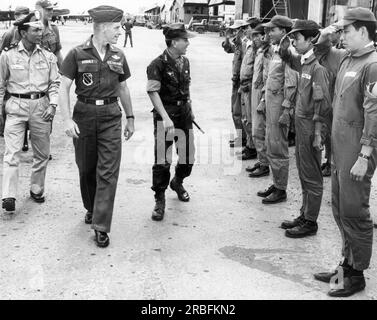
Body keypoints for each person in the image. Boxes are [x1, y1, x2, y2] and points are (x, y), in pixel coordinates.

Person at [312, 7, 377, 297]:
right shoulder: (348, 58)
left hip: (357, 151)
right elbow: (321, 52)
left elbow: (374, 112)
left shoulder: (373, 64)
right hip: (340, 149)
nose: (343, 36)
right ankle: (346, 264)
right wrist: (328, 32)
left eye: (347, 31)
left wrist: (364, 155)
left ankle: (357, 274)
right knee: (340, 209)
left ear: (363, 31)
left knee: (355, 212)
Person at [59, 5, 135, 248]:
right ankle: (91, 207)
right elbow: (64, 88)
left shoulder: (118, 55)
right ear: (102, 28)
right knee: (86, 169)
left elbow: (123, 87)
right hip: (84, 115)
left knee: (108, 173)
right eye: (116, 27)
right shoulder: (77, 53)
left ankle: (101, 226)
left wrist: (130, 117)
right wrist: (67, 119)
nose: (120, 31)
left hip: (111, 116)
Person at [0, 12, 59, 213]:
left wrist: (53, 105)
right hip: (15, 107)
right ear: (24, 32)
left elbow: (54, 83)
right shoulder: (7, 55)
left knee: (42, 153)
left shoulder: (48, 56)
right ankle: (9, 195)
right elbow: (0, 84)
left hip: (41, 107)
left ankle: (36, 188)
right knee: (12, 153)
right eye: (35, 30)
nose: (40, 33)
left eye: (40, 29)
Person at [278, 20, 333, 238]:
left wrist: (318, 134)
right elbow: (286, 55)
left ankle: (311, 221)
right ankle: (304, 213)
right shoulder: (304, 63)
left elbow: (323, 105)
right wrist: (285, 39)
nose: (294, 42)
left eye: (297, 38)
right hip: (301, 125)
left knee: (312, 175)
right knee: (303, 172)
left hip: (312, 127)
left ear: (311, 40)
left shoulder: (317, 68)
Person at [146, 23, 195, 222]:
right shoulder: (157, 64)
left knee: (187, 156)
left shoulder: (185, 62)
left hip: (183, 113)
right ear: (174, 42)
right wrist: (165, 117)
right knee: (162, 160)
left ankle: (178, 181)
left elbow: (187, 89)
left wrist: (190, 110)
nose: (188, 43)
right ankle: (159, 199)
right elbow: (152, 91)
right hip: (165, 115)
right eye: (185, 40)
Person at [257, 15, 298, 205]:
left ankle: (281, 189)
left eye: (272, 30)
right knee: (270, 143)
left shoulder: (287, 50)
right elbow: (271, 78)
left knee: (278, 147)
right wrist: (264, 100)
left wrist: (286, 109)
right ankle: (276, 183)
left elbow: (291, 82)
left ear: (282, 30)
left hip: (280, 105)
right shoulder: (276, 49)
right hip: (271, 102)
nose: (269, 33)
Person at [0, 6, 30, 138]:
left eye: (26, 16)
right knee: (7, 103)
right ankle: (3, 129)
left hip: (24, 75)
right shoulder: (9, 34)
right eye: (21, 16)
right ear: (16, 17)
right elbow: (2, 54)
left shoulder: (29, 32)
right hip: (10, 74)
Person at [246, 24, 272, 178]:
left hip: (261, 94)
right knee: (255, 128)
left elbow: (268, 77)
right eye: (253, 35)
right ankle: (262, 160)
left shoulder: (268, 52)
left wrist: (263, 99)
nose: (254, 38)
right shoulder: (259, 51)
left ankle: (264, 164)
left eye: (257, 35)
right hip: (254, 92)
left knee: (258, 131)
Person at [222, 20, 249, 148]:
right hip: (236, 82)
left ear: (242, 30)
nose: (234, 33)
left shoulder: (245, 45)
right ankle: (241, 137)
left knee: (239, 112)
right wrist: (227, 38)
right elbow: (228, 49)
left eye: (236, 30)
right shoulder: (239, 44)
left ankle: (244, 138)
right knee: (234, 111)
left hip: (241, 82)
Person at [238, 17, 261, 160]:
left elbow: (257, 70)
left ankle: (252, 148)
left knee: (251, 119)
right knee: (245, 117)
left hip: (251, 86)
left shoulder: (258, 47)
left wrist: (249, 83)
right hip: (245, 85)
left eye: (249, 27)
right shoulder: (249, 45)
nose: (246, 30)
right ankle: (249, 145)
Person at [35, 0, 63, 67]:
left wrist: (63, 72)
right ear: (39, 10)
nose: (51, 12)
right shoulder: (30, 29)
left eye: (52, 9)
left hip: (51, 70)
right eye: (48, 10)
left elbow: (57, 52)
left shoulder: (54, 29)